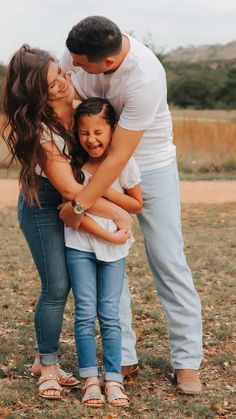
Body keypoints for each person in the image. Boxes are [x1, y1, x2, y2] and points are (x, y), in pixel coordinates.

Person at [59, 15, 203, 395]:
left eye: (80, 63)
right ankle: (122, 356)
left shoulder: (146, 78)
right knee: (107, 255)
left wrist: (80, 203)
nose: (72, 66)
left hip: (148, 165)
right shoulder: (80, 50)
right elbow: (60, 99)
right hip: (95, 162)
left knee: (168, 259)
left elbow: (120, 158)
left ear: (107, 62)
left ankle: (187, 362)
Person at [1, 44, 132, 400]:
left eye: (58, 73)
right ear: (33, 91)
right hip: (44, 204)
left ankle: (44, 357)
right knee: (56, 286)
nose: (61, 82)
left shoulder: (79, 111)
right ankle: (47, 365)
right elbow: (71, 188)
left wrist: (127, 201)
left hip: (79, 200)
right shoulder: (40, 130)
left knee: (72, 284)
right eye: (50, 82)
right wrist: (120, 211)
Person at [65, 97, 142, 407]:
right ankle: (89, 381)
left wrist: (102, 186)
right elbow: (69, 211)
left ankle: (113, 379)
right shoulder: (73, 164)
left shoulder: (124, 163)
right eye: (84, 133)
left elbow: (137, 204)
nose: (91, 140)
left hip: (115, 249)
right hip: (79, 245)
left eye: (98, 132)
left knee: (110, 316)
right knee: (84, 314)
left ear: (112, 130)